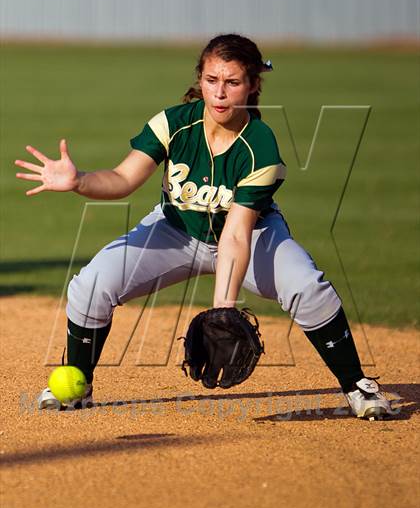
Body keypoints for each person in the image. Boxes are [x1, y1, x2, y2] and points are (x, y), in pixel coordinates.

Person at [15, 34, 392, 419]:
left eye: (232, 82)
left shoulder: (260, 145)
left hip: (253, 235)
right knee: (90, 285)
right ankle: (77, 383)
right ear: (200, 78)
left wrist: (223, 310)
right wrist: (80, 181)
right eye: (212, 80)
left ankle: (356, 385)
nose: (220, 93)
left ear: (253, 85)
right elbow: (124, 178)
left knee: (308, 288)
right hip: (175, 229)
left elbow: (236, 232)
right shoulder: (174, 124)